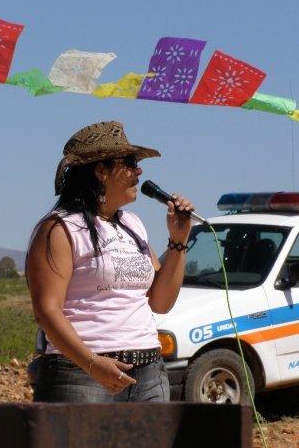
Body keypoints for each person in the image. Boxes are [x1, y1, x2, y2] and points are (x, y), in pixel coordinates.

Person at [26, 120, 194, 402]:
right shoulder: (59, 229)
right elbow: (46, 310)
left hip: (150, 373)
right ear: (101, 170)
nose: (138, 171)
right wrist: (91, 363)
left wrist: (178, 241)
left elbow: (161, 302)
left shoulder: (133, 224)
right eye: (129, 162)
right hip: (81, 376)